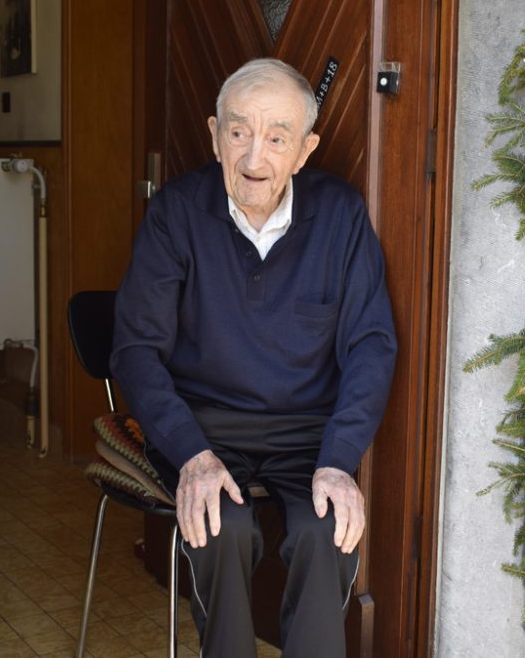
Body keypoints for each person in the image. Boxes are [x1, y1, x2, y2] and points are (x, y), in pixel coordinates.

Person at [111, 58, 397, 657]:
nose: (253, 159)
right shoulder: (175, 215)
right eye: (238, 133)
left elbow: (371, 345)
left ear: (305, 150)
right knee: (221, 525)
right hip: (203, 428)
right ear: (215, 135)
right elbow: (136, 351)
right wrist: (192, 454)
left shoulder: (340, 216)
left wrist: (340, 459)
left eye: (277, 137)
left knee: (327, 532)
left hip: (307, 433)